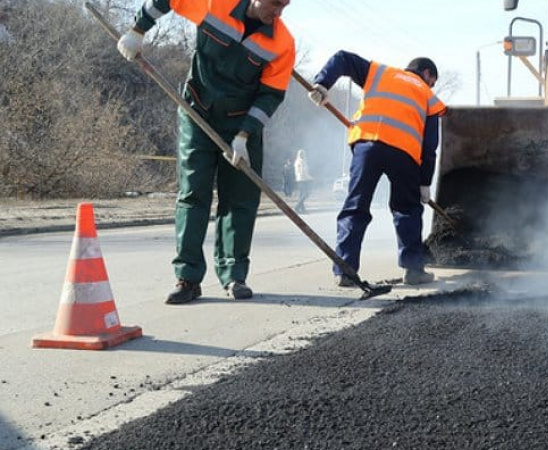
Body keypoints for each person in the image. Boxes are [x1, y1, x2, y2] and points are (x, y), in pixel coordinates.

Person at [116, 0, 295, 304]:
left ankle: (234, 276)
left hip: (242, 124)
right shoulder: (216, 4)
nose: (278, 12)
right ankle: (188, 278)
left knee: (240, 200)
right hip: (197, 111)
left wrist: (243, 135)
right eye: (275, 3)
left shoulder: (282, 42)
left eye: (285, 5)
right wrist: (138, 30)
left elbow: (271, 95)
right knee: (193, 193)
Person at [307, 51, 447, 287]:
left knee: (355, 207)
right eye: (432, 81)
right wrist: (425, 183)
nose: (431, 85)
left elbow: (342, 58)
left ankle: (345, 270)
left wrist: (322, 83)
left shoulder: (380, 72)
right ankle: (413, 270)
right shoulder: (428, 96)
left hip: (367, 146)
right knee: (407, 210)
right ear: (426, 74)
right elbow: (430, 146)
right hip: (405, 154)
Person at [293, 149, 313, 213]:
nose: (302, 155)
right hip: (303, 180)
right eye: (301, 154)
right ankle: (297, 207)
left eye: (303, 154)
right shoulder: (301, 162)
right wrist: (310, 178)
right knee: (305, 194)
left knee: (301, 195)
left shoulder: (298, 161)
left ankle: (302, 209)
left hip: (300, 179)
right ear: (299, 154)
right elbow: (302, 172)